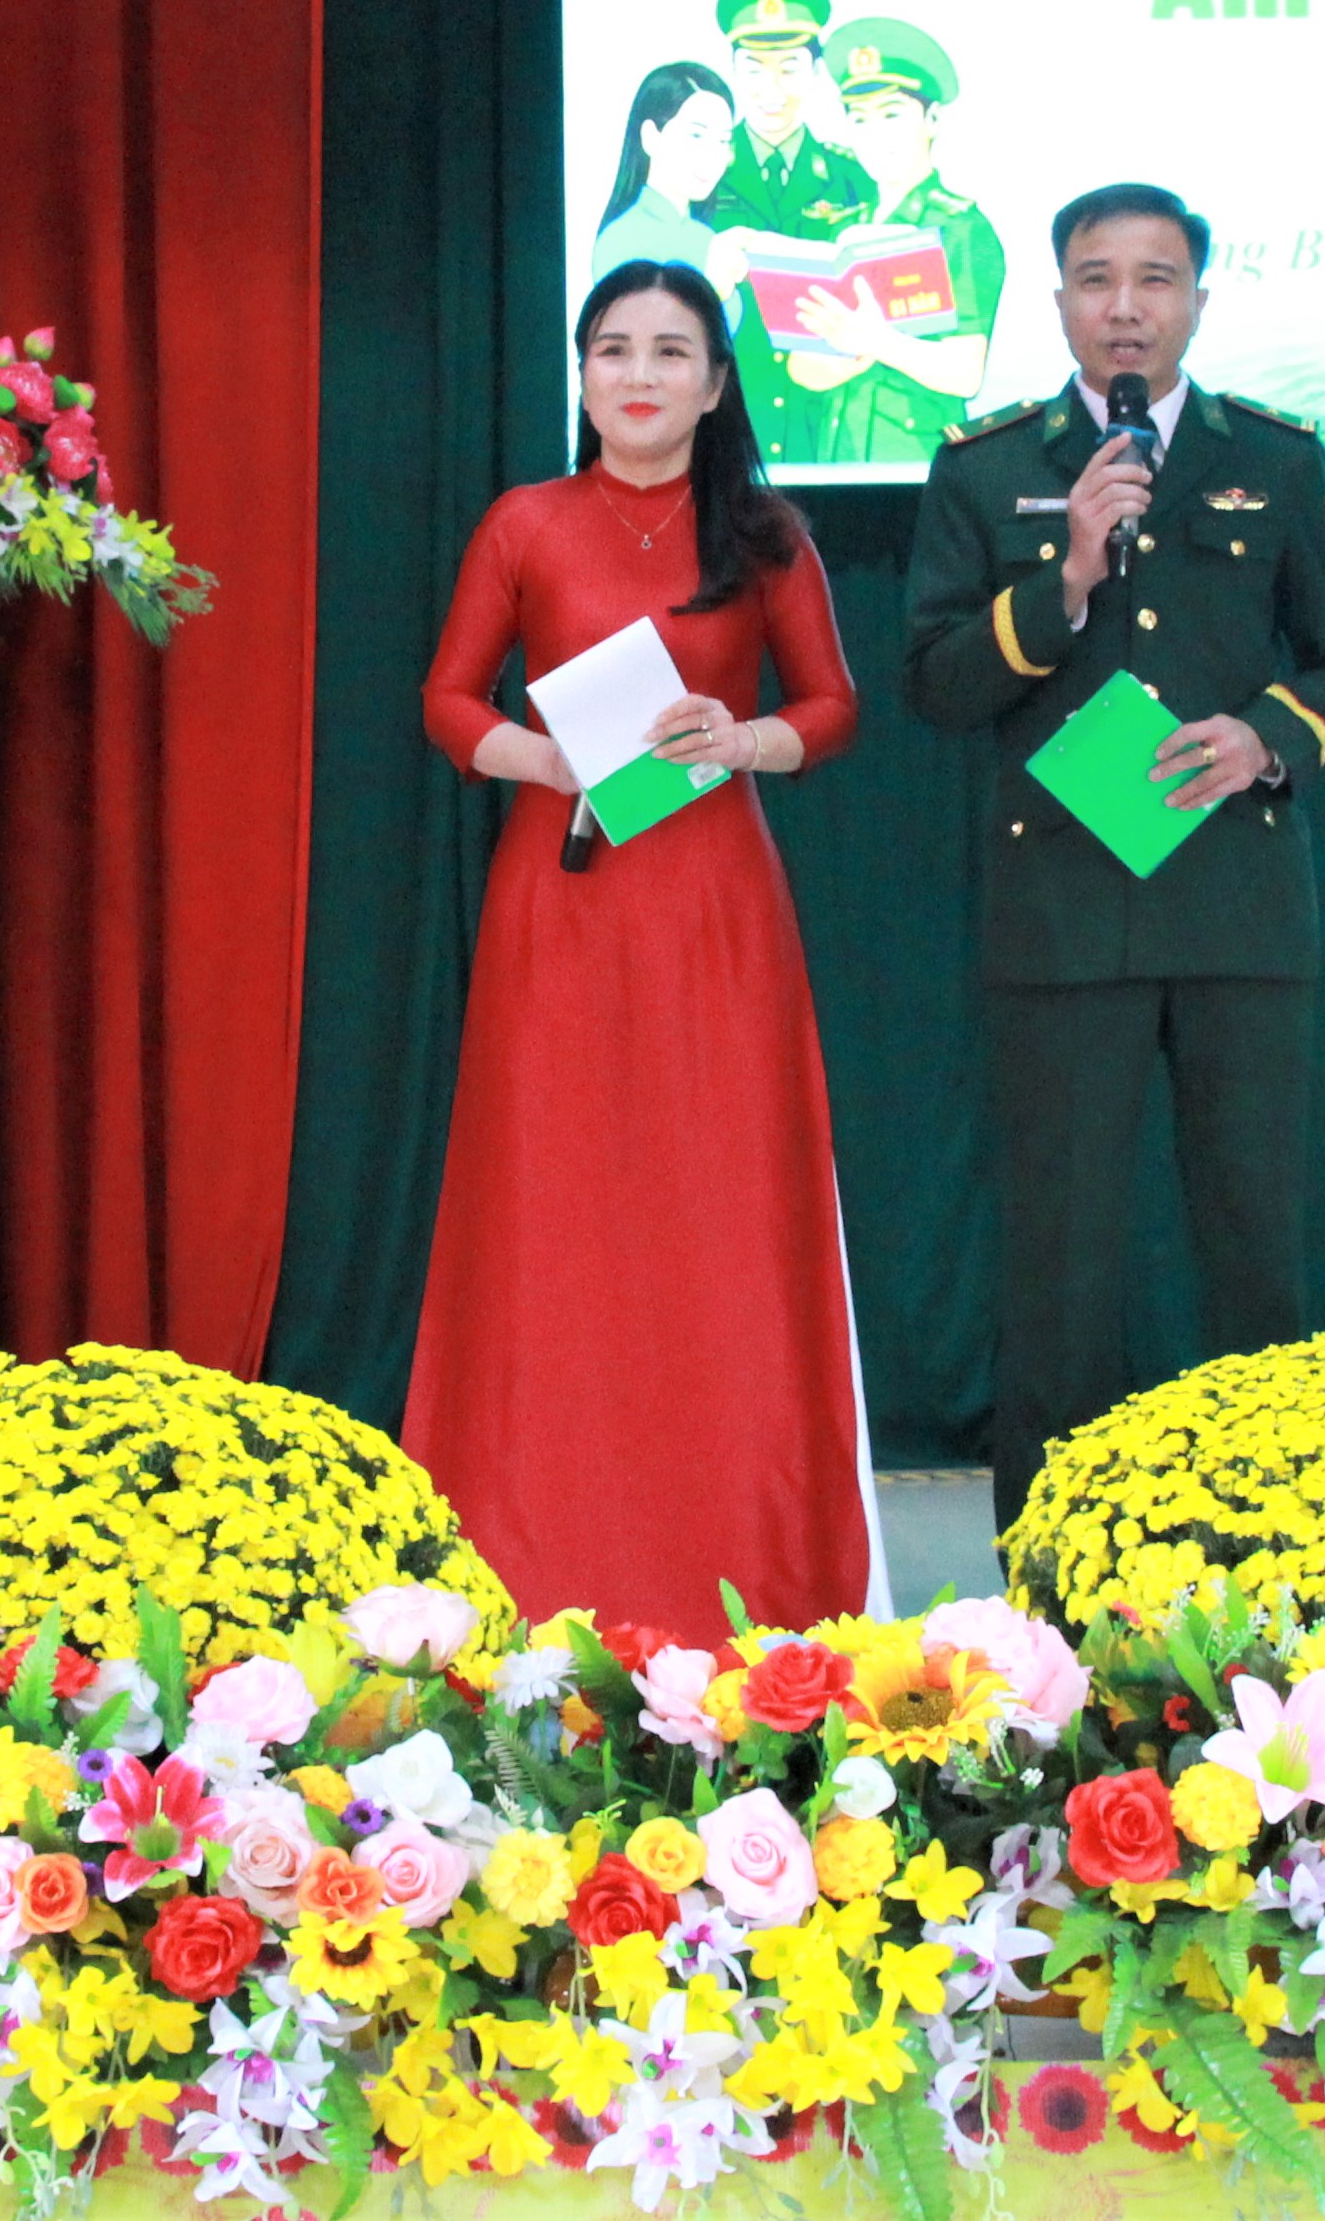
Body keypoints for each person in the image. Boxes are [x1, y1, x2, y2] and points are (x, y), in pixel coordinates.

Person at [899, 184, 1325, 1532]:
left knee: (1253, 1254)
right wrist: (1062, 578)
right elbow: (937, 683)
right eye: (1097, 278)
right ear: (1058, 298)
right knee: (1060, 1267)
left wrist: (1263, 736)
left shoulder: (1275, 459)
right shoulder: (987, 465)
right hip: (1061, 915)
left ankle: (1273, 1560)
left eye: (1155, 279)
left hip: (1238, 906)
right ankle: (1049, 1572)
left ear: (1197, 301)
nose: (1125, 307)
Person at [409, 262, 882, 1627]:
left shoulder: (765, 533)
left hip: (714, 899)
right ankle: (540, 1537)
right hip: (559, 894)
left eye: (671, 351)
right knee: (552, 1198)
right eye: (611, 348)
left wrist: (745, 739)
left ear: (717, 383)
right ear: (580, 373)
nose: (638, 374)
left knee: (717, 1200)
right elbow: (446, 697)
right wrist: (540, 759)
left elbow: (835, 704)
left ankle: (738, 1531)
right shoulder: (525, 521)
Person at [794, 14, 1005, 469]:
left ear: (932, 119)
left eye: (892, 115)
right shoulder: (839, 230)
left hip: (920, 466)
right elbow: (802, 365)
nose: (875, 135)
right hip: (835, 459)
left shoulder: (960, 227)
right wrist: (840, 359)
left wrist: (873, 340)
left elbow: (965, 373)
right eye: (859, 119)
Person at [703, 0, 876, 467]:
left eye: (790, 68)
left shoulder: (853, 176)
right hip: (726, 420)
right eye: (754, 69)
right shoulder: (701, 172)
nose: (771, 89)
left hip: (825, 424)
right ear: (733, 71)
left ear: (816, 72)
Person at [590, 60, 740, 287]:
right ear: (651, 136)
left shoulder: (708, 239)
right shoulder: (621, 240)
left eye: (723, 140)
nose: (712, 155)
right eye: (696, 136)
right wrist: (715, 289)